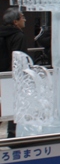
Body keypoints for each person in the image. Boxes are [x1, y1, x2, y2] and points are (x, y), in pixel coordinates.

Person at [0, 8, 25, 139]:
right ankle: (13, 134)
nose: (24, 20)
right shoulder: (18, 36)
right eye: (22, 17)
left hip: (1, 75)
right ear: (15, 22)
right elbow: (18, 58)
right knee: (14, 105)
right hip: (12, 76)